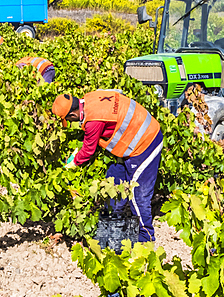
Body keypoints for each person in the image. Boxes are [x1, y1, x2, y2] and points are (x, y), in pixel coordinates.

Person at [51, 91, 163, 243]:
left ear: (72, 114)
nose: (71, 123)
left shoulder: (93, 121)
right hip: (130, 142)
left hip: (146, 142)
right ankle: (112, 227)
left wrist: (73, 163)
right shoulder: (90, 98)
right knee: (113, 181)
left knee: (138, 195)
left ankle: (146, 237)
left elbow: (88, 150)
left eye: (69, 120)